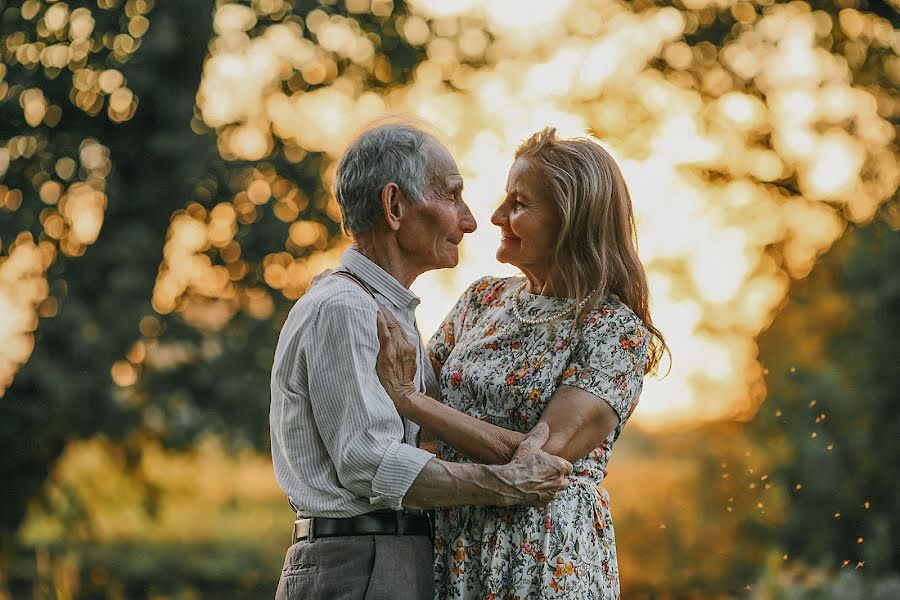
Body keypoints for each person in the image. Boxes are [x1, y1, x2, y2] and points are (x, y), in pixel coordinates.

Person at [269, 122, 573, 600]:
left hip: (383, 557)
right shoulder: (346, 308)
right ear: (395, 207)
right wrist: (506, 484)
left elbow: (423, 438)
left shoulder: (386, 311)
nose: (470, 221)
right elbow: (368, 462)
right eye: (452, 196)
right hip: (361, 564)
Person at [375, 127, 669, 599]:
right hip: (454, 541)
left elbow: (541, 463)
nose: (494, 216)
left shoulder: (614, 332)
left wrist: (409, 400)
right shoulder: (481, 299)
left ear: (571, 221)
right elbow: (409, 419)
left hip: (543, 553)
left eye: (519, 203)